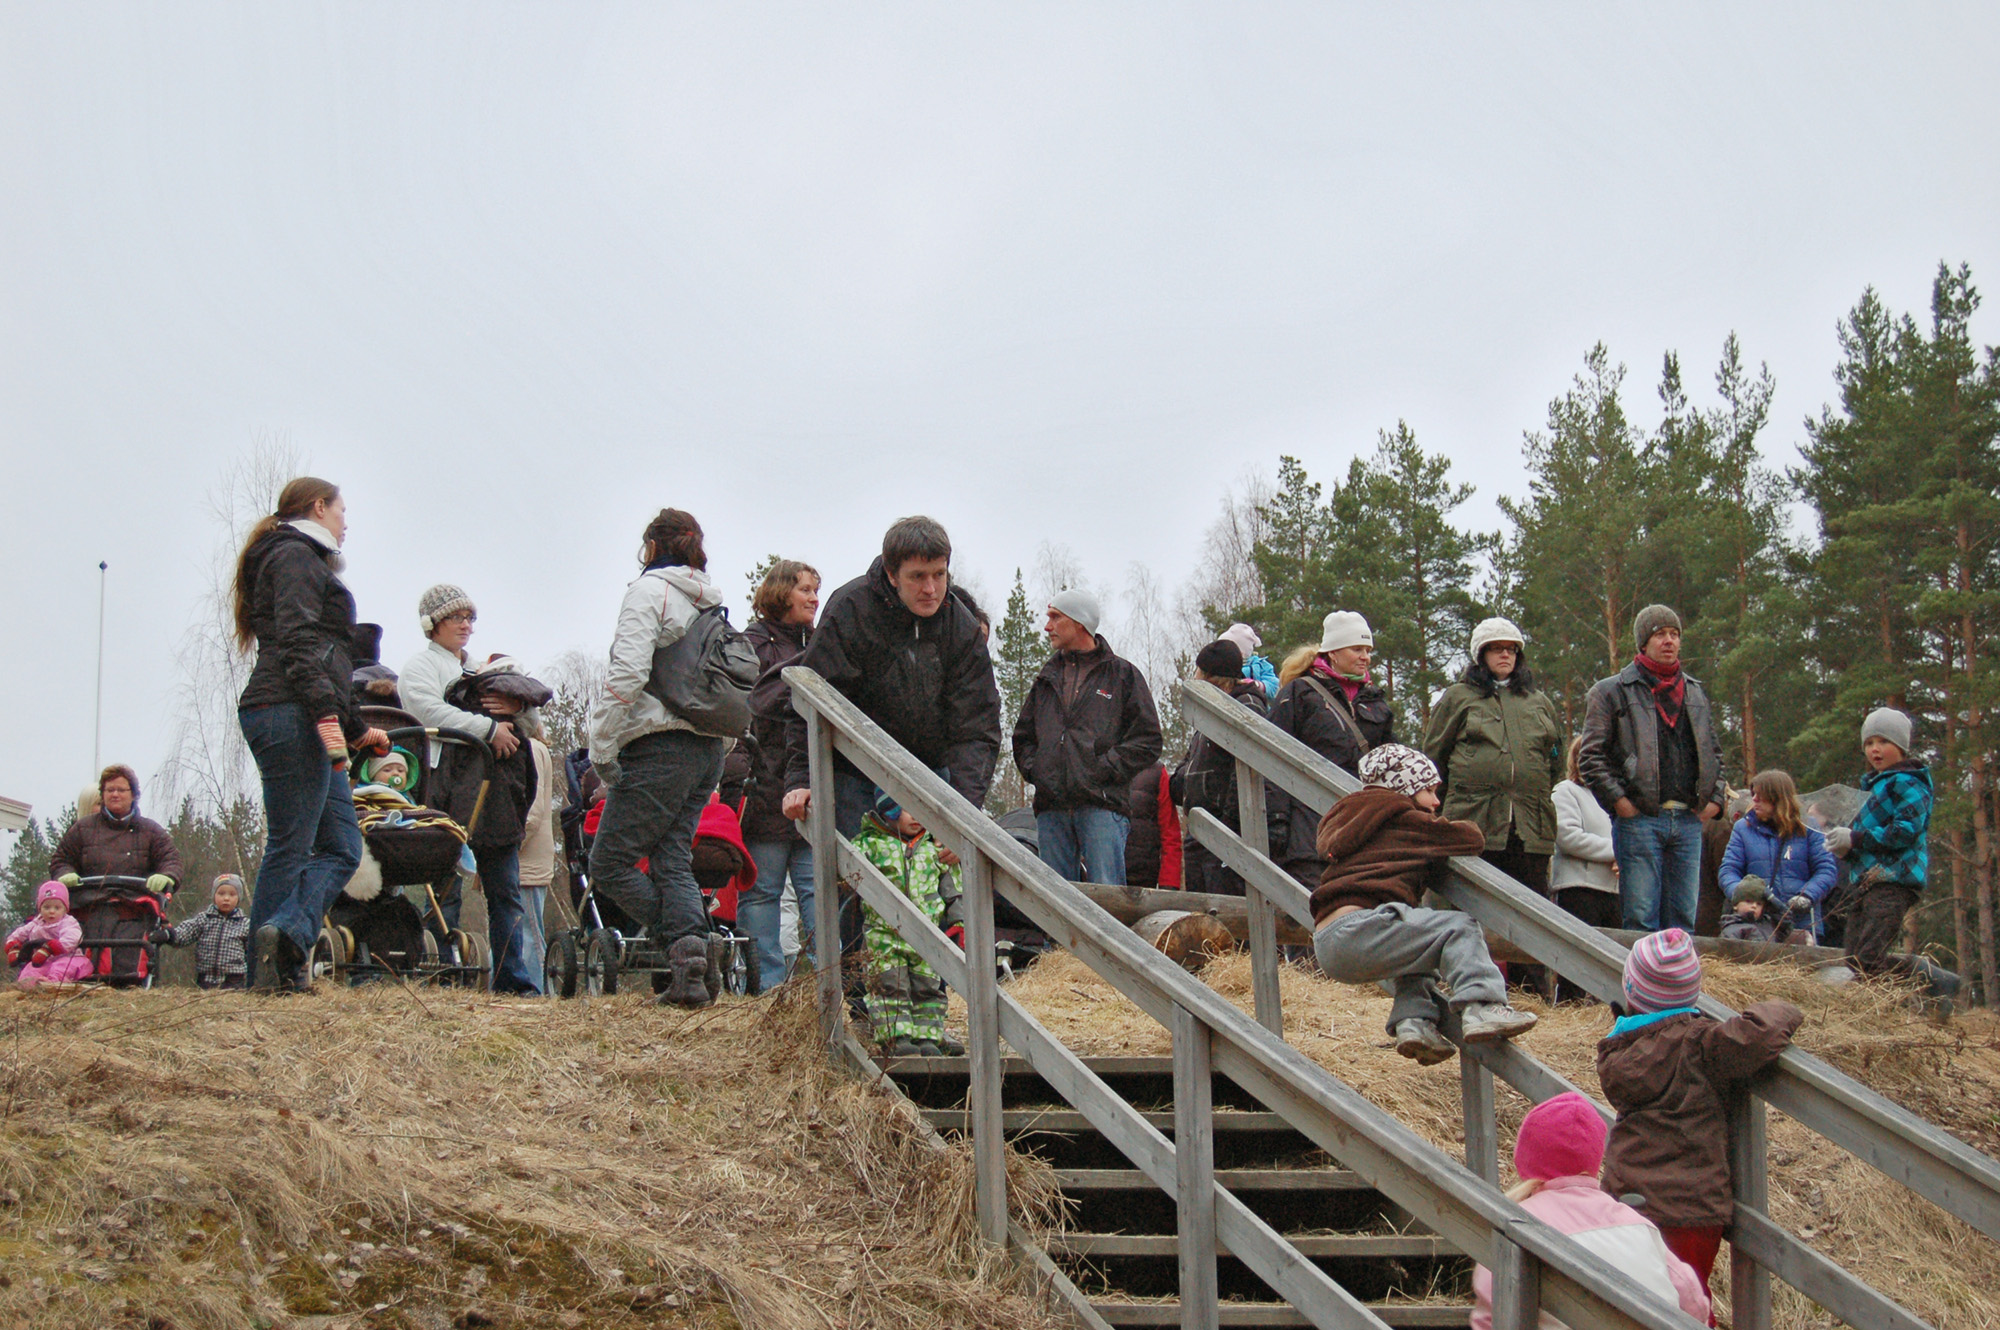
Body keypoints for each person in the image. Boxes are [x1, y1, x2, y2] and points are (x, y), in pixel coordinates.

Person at [232, 477, 387, 990]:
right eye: (342, 510)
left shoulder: (297, 556)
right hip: (287, 711)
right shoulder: (295, 555)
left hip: (299, 709)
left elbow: (326, 657)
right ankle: (270, 972)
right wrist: (327, 713)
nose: (347, 522)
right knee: (291, 845)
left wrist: (358, 727)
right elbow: (299, 640)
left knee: (342, 846)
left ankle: (287, 935)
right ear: (318, 508)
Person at [1597, 928, 1803, 1313]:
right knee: (1688, 1303)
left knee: (1632, 1304)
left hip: (1627, 1198)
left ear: (1630, 990)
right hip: (1689, 1208)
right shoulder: (1699, 1043)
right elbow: (1759, 1035)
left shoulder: (1617, 1050)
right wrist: (1787, 1008)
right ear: (1692, 992)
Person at [1310, 745, 1537, 1065]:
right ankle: (1483, 1005)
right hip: (1360, 927)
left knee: (1416, 950)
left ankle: (1414, 1022)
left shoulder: (1354, 819)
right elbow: (1470, 839)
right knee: (1459, 927)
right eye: (1428, 790)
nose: (1436, 802)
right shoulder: (1403, 819)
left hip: (1329, 940)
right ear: (1404, 788)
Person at [588, 508, 733, 1007]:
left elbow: (627, 673)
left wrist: (601, 744)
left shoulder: (649, 592)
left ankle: (683, 945)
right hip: (707, 747)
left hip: (658, 745)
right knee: (672, 859)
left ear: (651, 547)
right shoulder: (711, 602)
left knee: (607, 863)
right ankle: (693, 966)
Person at [781, 516, 1002, 840]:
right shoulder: (851, 610)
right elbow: (810, 697)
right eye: (917, 577)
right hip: (854, 772)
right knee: (859, 881)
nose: (930, 589)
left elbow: (977, 725)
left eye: (939, 575)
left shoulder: (961, 628)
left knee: (933, 883)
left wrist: (966, 812)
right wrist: (801, 778)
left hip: (930, 775)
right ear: (892, 574)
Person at [1469, 1092, 1709, 1330]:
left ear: (1525, 1157)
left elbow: (1492, 1311)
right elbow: (1691, 1299)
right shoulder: (1635, 1222)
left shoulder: (1520, 1222)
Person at [1578, 605, 1726, 933]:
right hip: (1640, 820)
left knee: (1683, 923)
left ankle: (1678, 985)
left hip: (1688, 820)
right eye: (1660, 634)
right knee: (1641, 920)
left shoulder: (1696, 691)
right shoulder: (1609, 691)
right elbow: (1590, 756)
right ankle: (1640, 985)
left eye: (1674, 634)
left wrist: (1715, 801)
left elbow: (1714, 752)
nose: (1669, 641)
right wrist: (1622, 804)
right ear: (1643, 642)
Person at [1011, 588, 1163, 886]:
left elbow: (1148, 740)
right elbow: (1023, 738)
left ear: (1079, 623)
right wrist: (1039, 770)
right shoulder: (1045, 678)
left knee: (1107, 901)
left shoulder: (1123, 675)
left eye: (1055, 617)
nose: (1047, 626)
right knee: (1056, 905)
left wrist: (1101, 769)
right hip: (1051, 808)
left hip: (1102, 806)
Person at [1421, 618, 1564, 897]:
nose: (1505, 654)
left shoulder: (1539, 702)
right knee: (1468, 906)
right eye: (1496, 648)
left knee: (1532, 910)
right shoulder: (1457, 698)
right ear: (1481, 655)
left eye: (1511, 649)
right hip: (1471, 824)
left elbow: (1554, 761)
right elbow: (1433, 760)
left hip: (1530, 829)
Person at [1824, 709, 1959, 1003]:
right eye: (1869, 742)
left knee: (1870, 958)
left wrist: (1857, 839)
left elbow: (1905, 831)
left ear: (1901, 746)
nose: (1875, 748)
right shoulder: (1870, 787)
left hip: (1895, 879)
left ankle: (1921, 999)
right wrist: (1846, 848)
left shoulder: (1911, 783)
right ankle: (1927, 984)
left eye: (1883, 741)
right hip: (1866, 881)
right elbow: (1864, 840)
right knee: (1855, 959)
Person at [1266, 611, 1396, 889]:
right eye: (1357, 649)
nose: (1365, 657)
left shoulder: (1376, 703)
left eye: (1368, 650)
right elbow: (1272, 758)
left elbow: (1393, 766)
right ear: (1333, 652)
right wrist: (1276, 820)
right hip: (1309, 827)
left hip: (1361, 828)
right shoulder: (1300, 693)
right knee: (1313, 910)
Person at [740, 558, 820, 991]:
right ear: (781, 592)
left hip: (811, 785)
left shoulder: (818, 643)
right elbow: (753, 704)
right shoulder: (750, 644)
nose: (813, 597)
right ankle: (764, 989)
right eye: (805, 589)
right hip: (765, 782)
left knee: (817, 893)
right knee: (763, 891)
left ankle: (826, 988)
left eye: (815, 589)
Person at [852, 792, 962, 1057]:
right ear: (889, 811)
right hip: (884, 933)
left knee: (928, 987)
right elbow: (845, 870)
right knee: (890, 985)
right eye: (907, 809)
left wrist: (959, 919)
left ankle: (927, 1037)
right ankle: (896, 1037)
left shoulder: (933, 848)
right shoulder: (869, 844)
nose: (916, 817)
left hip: (927, 935)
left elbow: (952, 887)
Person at [1172, 640, 1270, 895]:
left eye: (1199, 670)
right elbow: (1195, 759)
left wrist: (1229, 822)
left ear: (1211, 677)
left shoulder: (1246, 705)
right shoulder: (1210, 709)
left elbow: (1249, 769)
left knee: (1227, 915)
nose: (1194, 676)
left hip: (1226, 831)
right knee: (1204, 919)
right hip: (1201, 827)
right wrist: (1182, 781)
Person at [1718, 770, 1836, 942]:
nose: (1755, 800)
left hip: (1801, 923)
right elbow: (1728, 870)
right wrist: (1742, 895)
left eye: (1761, 795)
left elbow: (1826, 870)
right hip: (1755, 925)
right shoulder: (1743, 828)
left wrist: (1807, 895)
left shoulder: (1809, 828)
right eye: (1754, 794)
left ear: (1778, 797)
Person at [50, 765, 182, 895]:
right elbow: (61, 860)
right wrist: (65, 874)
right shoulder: (82, 828)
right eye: (110, 790)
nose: (115, 794)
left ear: (134, 795)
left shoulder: (151, 831)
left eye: (121, 790)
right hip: (88, 907)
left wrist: (167, 876)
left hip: (140, 908)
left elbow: (171, 860)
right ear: (103, 794)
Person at [1551, 736, 1619, 929]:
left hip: (1616, 893)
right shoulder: (1566, 791)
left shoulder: (1617, 801)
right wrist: (1618, 851)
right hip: (1578, 891)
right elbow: (1568, 837)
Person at [151, 873, 251, 989]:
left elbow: (252, 953)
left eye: (232, 894)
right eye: (221, 893)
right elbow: (185, 933)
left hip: (234, 981)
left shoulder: (245, 924)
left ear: (239, 898)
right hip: (205, 980)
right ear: (214, 896)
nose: (226, 898)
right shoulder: (204, 919)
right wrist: (168, 934)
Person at [518, 734, 557, 986]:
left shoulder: (530, 749)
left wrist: (505, 847)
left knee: (530, 933)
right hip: (518, 859)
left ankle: (541, 991)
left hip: (526, 859)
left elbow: (531, 813)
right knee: (512, 932)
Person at [7, 882, 93, 991]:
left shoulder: (68, 922)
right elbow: (19, 934)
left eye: (57, 908)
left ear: (65, 909)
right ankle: (29, 987)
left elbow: (73, 937)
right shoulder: (36, 922)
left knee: (59, 969)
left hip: (68, 957)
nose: (51, 911)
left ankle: (52, 986)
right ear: (40, 908)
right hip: (44, 960)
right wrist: (12, 944)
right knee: (31, 969)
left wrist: (52, 947)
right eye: (46, 907)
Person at [1123, 763, 1181, 890]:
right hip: (1100, 873)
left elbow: (1170, 833)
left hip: (1142, 878)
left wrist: (1169, 884)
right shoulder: (1097, 761)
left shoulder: (1157, 773)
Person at [1718, 877, 1809, 946]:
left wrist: (1774, 902)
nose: (1754, 906)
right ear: (1735, 905)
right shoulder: (1732, 929)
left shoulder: (1769, 925)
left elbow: (1786, 922)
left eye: (1759, 904)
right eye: (1748, 901)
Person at [1221, 622, 1279, 701]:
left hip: (1254, 704)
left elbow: (1274, 687)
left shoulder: (1261, 665)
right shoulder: (1222, 665)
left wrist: (1258, 685)